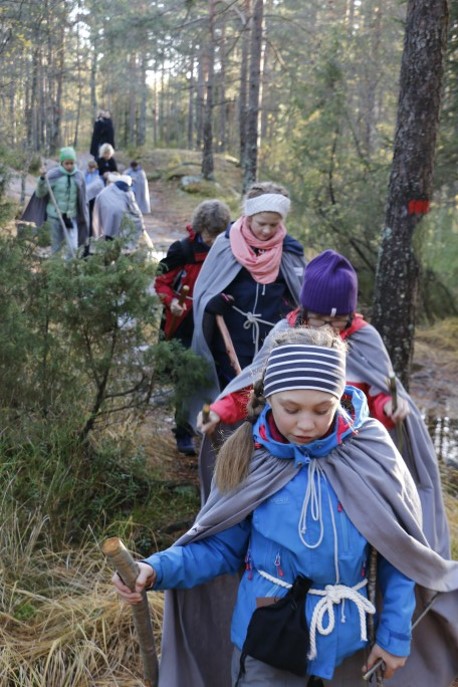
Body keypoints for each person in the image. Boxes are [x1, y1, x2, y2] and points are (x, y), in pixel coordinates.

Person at [112, 327, 458, 687]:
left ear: (339, 397)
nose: (306, 424)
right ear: (269, 398)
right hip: (268, 645)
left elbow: (399, 553)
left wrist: (394, 636)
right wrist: (156, 569)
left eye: (322, 409)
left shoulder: (369, 451)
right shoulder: (251, 458)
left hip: (349, 648)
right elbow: (220, 549)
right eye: (291, 409)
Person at [197, 250, 451, 560]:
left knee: (357, 528)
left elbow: (378, 392)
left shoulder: (364, 338)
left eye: (337, 320)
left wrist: (389, 408)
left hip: (349, 458)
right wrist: (220, 412)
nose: (328, 328)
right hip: (287, 454)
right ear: (305, 309)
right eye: (319, 319)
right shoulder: (285, 334)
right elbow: (255, 389)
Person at [187, 181, 306, 428]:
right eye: (261, 223)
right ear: (248, 216)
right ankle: (227, 443)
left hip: (272, 341)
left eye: (274, 225)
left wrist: (290, 312)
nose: (267, 230)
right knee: (232, 395)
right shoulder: (226, 244)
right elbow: (205, 289)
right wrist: (212, 302)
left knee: (266, 396)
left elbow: (299, 294)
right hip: (230, 339)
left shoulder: (289, 250)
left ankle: (261, 444)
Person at [154, 199, 232, 456]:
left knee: (213, 376)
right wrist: (171, 302)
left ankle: (210, 428)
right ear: (200, 228)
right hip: (184, 323)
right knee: (187, 377)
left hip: (215, 322)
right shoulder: (183, 250)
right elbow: (161, 281)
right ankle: (183, 431)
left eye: (218, 234)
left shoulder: (229, 248)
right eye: (209, 234)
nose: (213, 240)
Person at [33, 146, 89, 258]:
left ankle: (69, 267)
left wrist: (83, 214)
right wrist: (42, 179)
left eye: (71, 163)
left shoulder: (79, 176)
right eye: (67, 163)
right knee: (56, 248)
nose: (69, 166)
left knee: (73, 248)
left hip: (71, 217)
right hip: (54, 217)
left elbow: (83, 197)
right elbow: (40, 194)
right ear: (62, 162)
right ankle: (56, 267)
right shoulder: (54, 175)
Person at [92, 172, 144, 251]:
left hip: (107, 223)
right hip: (119, 224)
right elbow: (135, 211)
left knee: (109, 239)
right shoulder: (127, 191)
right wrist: (141, 224)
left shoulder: (105, 191)